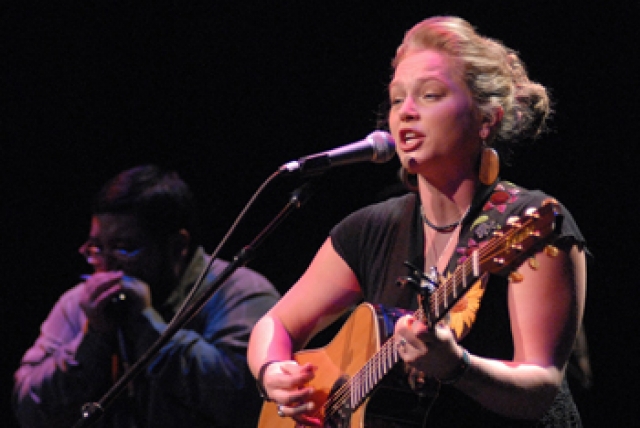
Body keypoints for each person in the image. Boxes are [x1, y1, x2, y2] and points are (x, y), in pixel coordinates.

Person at [247, 16, 587, 427]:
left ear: (487, 120)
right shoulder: (369, 229)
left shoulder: (526, 223)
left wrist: (457, 366)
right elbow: (277, 323)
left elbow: (542, 386)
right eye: (396, 99)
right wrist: (272, 373)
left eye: (430, 95)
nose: (406, 112)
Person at [13, 165, 280, 427]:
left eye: (124, 248)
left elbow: (245, 402)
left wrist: (147, 325)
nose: (106, 264)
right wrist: (93, 339)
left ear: (178, 247)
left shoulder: (240, 293)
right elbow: (28, 409)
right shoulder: (81, 303)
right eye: (97, 247)